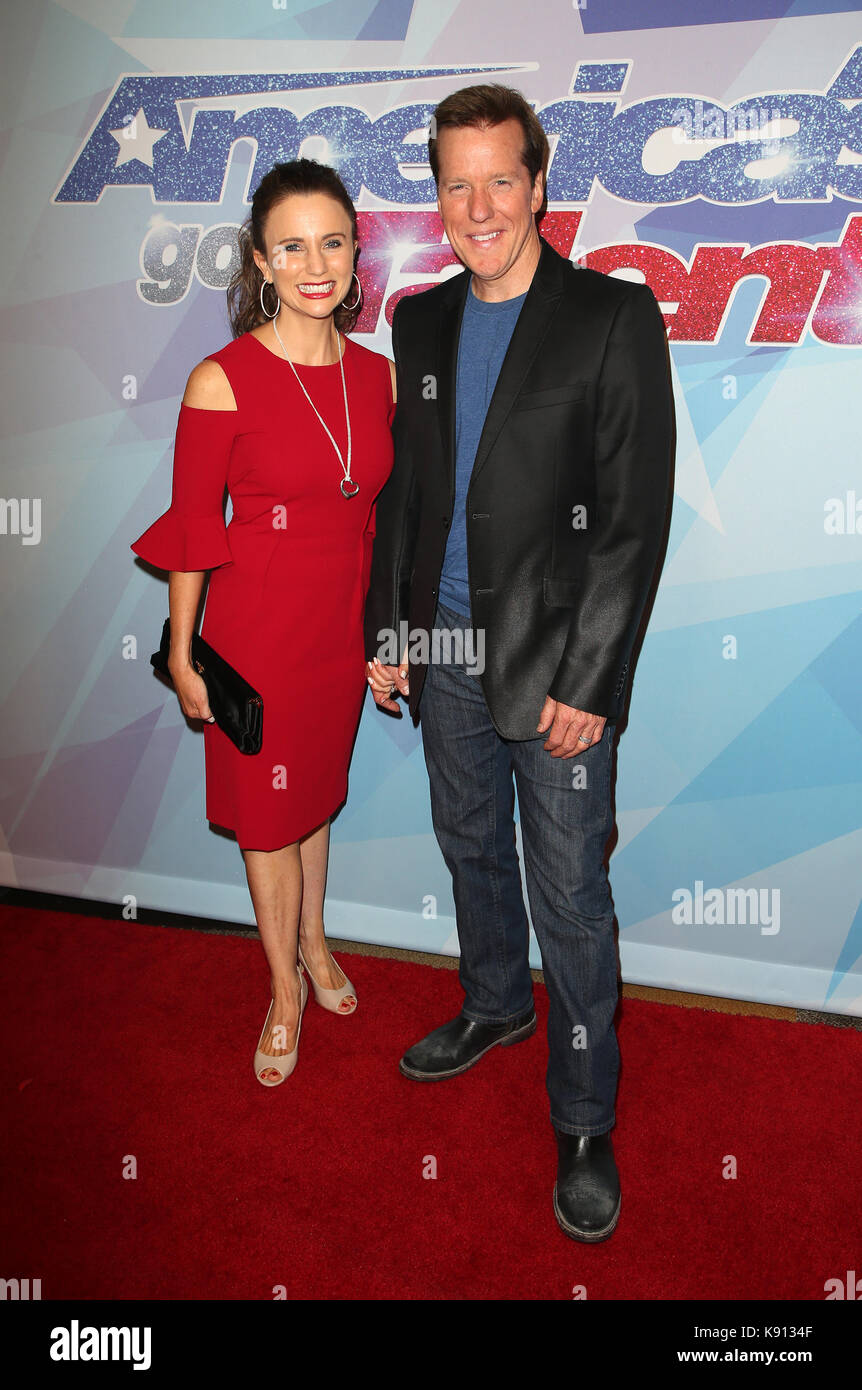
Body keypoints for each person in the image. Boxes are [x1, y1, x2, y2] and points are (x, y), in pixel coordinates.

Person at [365, 84, 674, 1241]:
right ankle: (494, 1004)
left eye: (501, 177)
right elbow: (408, 494)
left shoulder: (609, 317)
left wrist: (590, 681)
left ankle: (584, 1115)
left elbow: (632, 519)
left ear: (540, 185)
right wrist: (388, 628)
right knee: (467, 849)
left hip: (554, 670)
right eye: (457, 182)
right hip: (442, 651)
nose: (479, 203)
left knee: (573, 900)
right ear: (437, 196)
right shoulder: (421, 322)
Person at [132, 159, 395, 1087]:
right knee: (265, 826)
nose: (314, 263)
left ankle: (316, 945)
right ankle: (283, 989)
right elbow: (196, 534)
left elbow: (375, 525)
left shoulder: (378, 378)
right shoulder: (224, 379)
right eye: (292, 245)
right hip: (257, 643)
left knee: (313, 800)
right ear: (260, 259)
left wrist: (379, 640)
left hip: (336, 642)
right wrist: (181, 650)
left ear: (357, 253)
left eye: (332, 242)